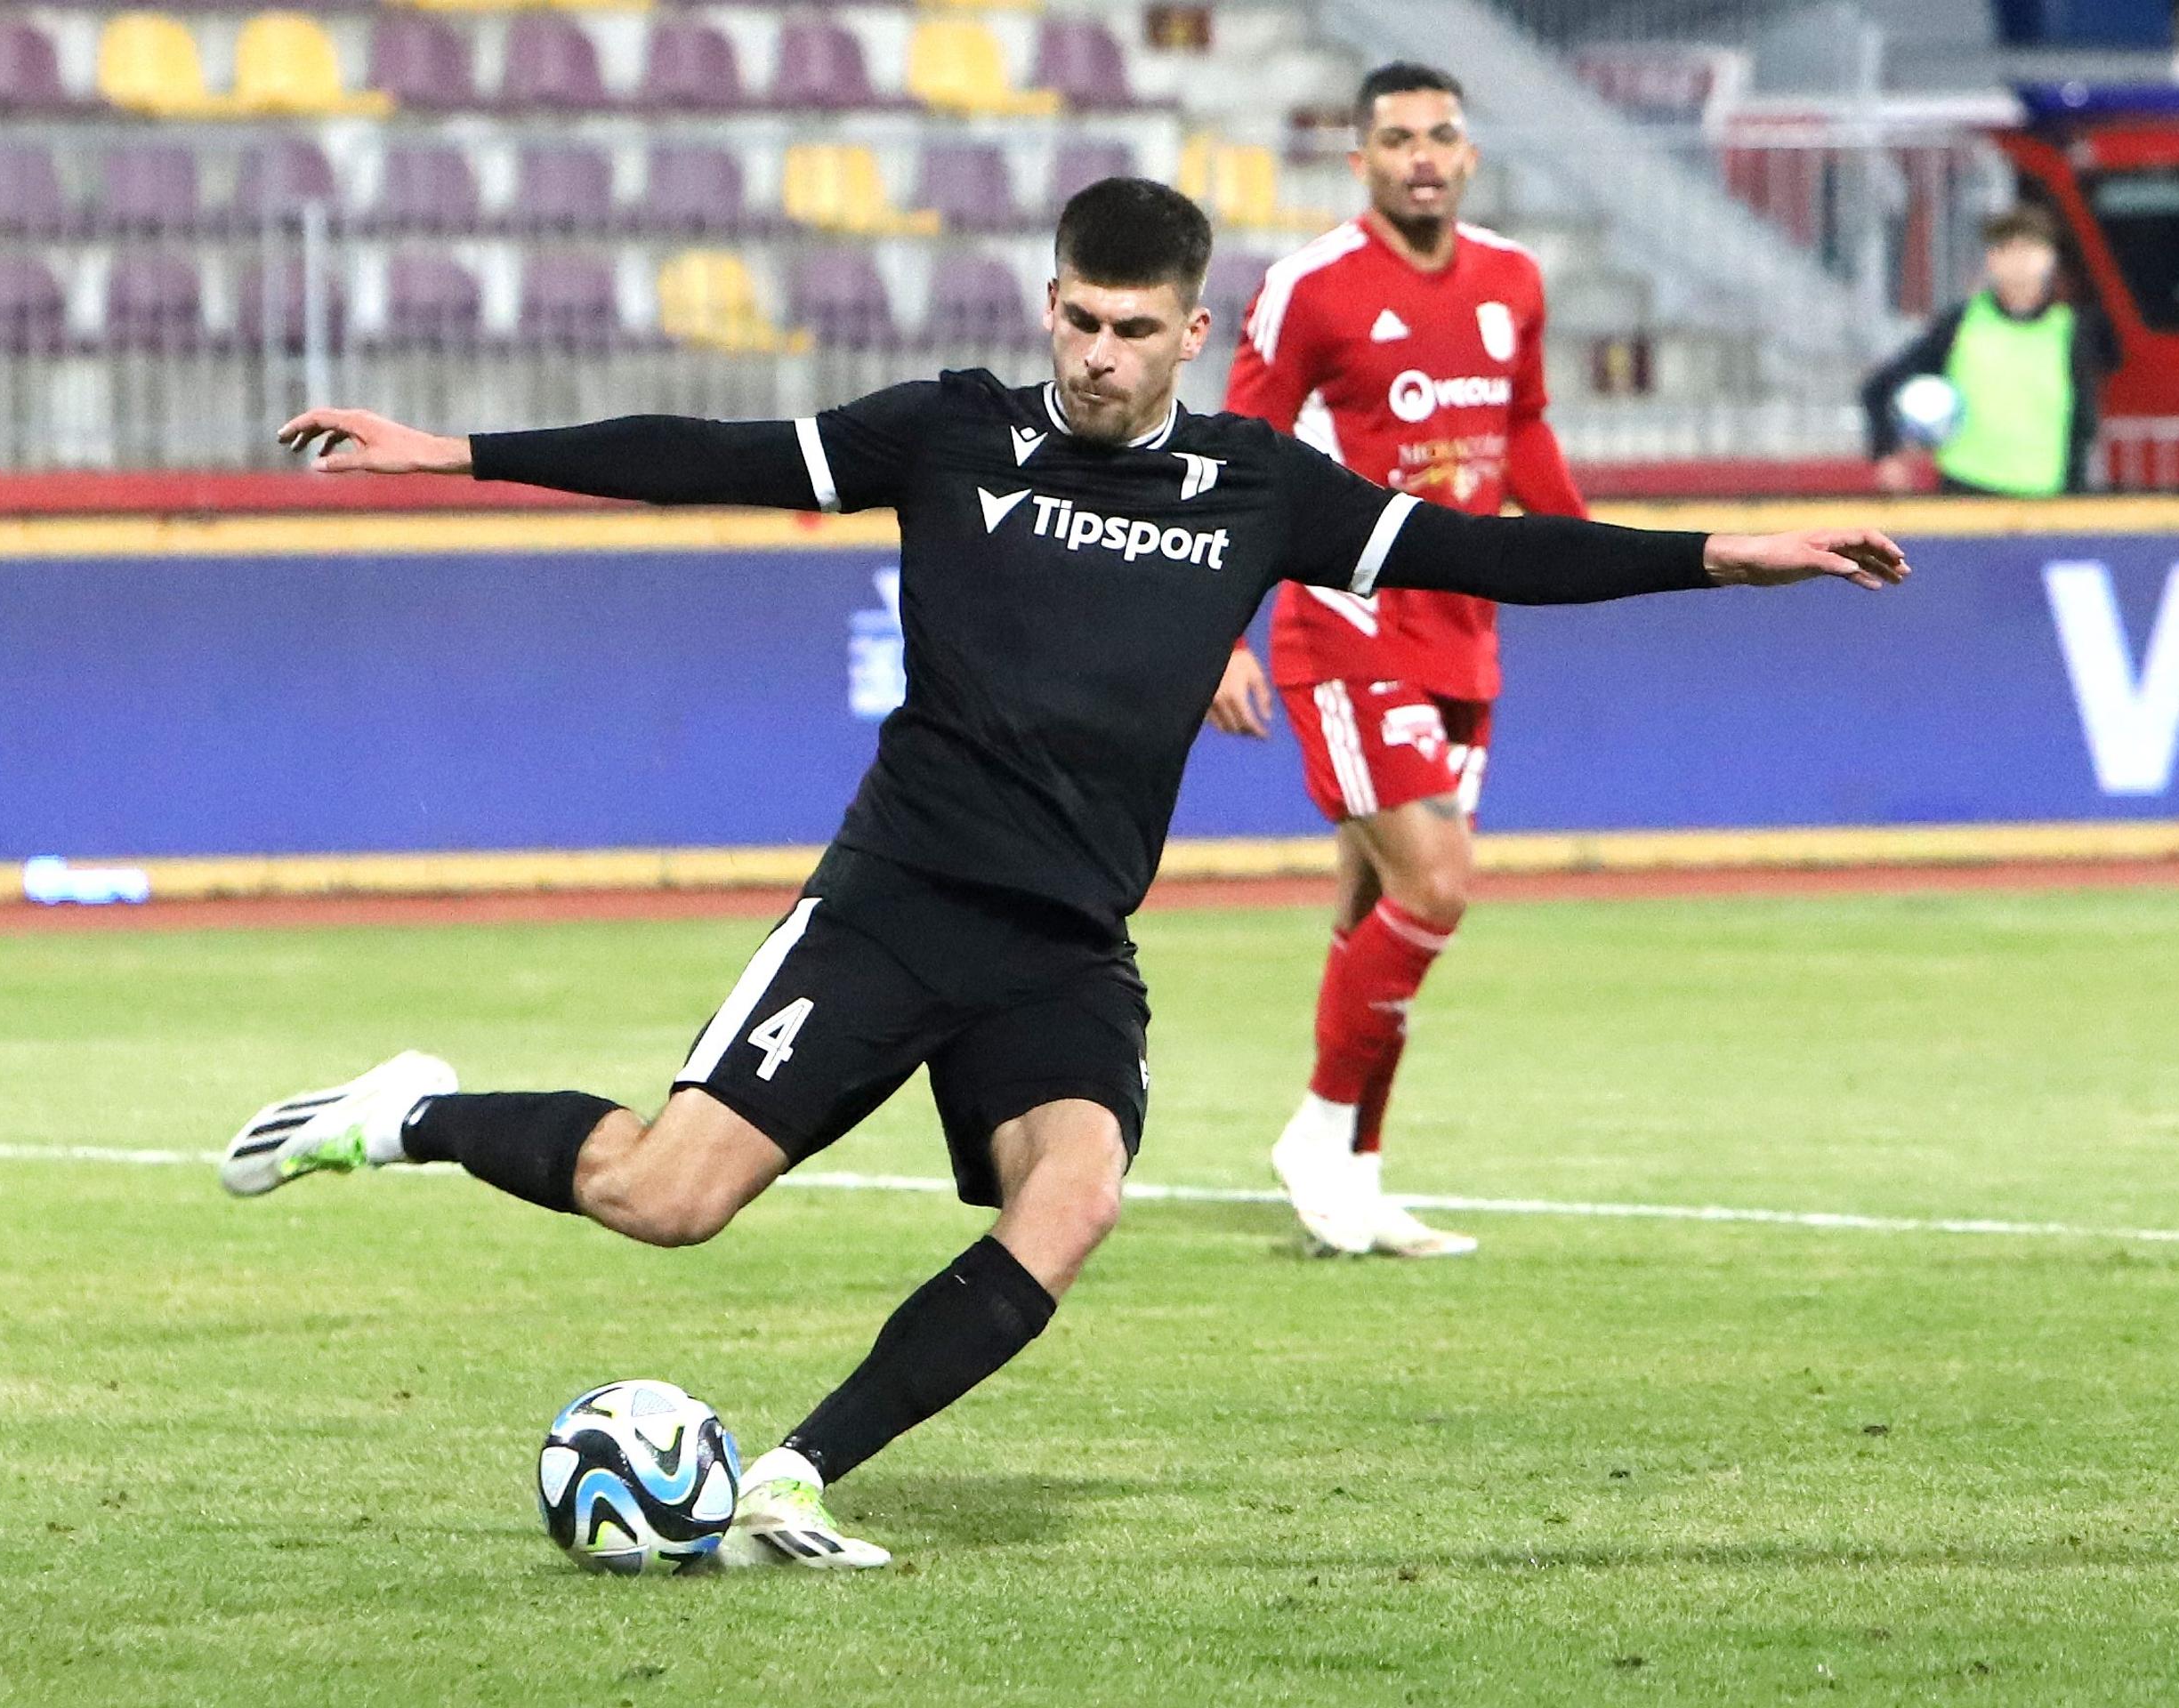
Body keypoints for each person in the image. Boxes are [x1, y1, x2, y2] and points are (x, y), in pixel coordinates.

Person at [224, 178, 1909, 1569]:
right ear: (1049, 309)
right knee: (667, 1200)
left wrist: (1726, 557)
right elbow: (713, 449)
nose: (1096, 357)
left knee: (1076, 1198)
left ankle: (793, 1478)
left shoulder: (1255, 487)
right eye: (1074, 321)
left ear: (1195, 333)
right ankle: (407, 1113)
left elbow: (1494, 551)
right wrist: (454, 450)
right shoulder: (951, 437)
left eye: (1130, 330)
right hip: (896, 901)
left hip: (1062, 942)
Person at [1207, 60, 1589, 1259]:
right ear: (1359, 158)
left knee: (1377, 900)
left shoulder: (1511, 278)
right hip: (1346, 618)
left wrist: (1583, 549)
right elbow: (1237, 466)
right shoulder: (1309, 291)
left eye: (1439, 135)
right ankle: (1316, 1132)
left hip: (1461, 626)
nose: (1420, 155)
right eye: (1395, 137)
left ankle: (1356, 1180)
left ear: (1466, 155)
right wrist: (1218, 631)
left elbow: (1516, 423)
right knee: (1435, 884)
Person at [1863, 203, 2118, 496]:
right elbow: (1880, 386)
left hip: (2046, 500)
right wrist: (1887, 452)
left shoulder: (2070, 331)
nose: (2019, 262)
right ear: (1992, 259)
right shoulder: (1963, 323)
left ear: (2050, 258)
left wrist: (2075, 497)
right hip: (1966, 494)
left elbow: (2083, 421)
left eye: (2030, 249)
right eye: (2008, 250)